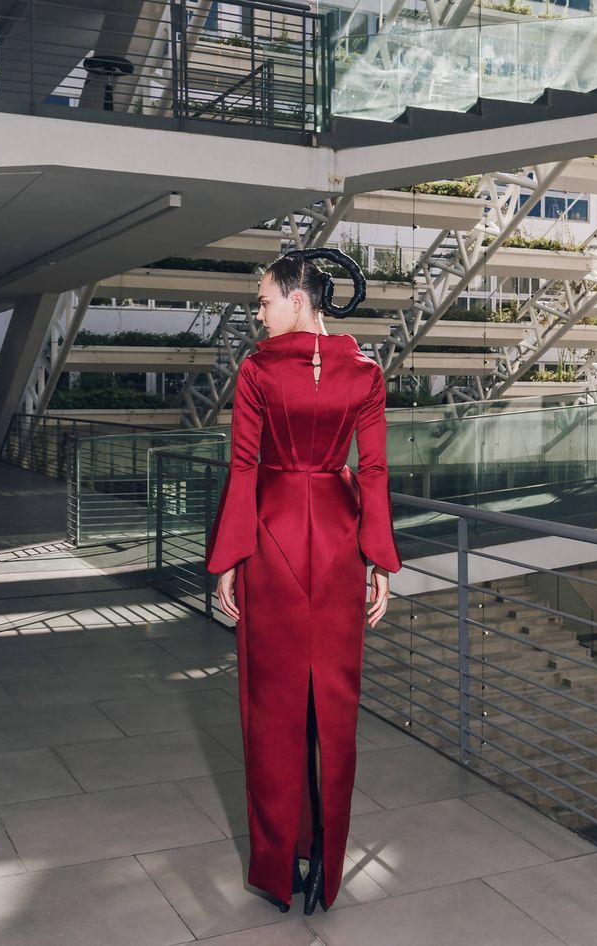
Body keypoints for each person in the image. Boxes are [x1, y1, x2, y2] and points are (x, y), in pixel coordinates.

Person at [203, 247, 403, 914]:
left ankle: (279, 863)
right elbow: (372, 472)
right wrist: (378, 561)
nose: (258, 316)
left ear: (298, 299)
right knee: (336, 715)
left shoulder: (258, 370)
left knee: (273, 712)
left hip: (274, 543)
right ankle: (328, 866)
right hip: (342, 548)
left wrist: (229, 558)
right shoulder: (367, 372)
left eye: (264, 301)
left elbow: (242, 468)